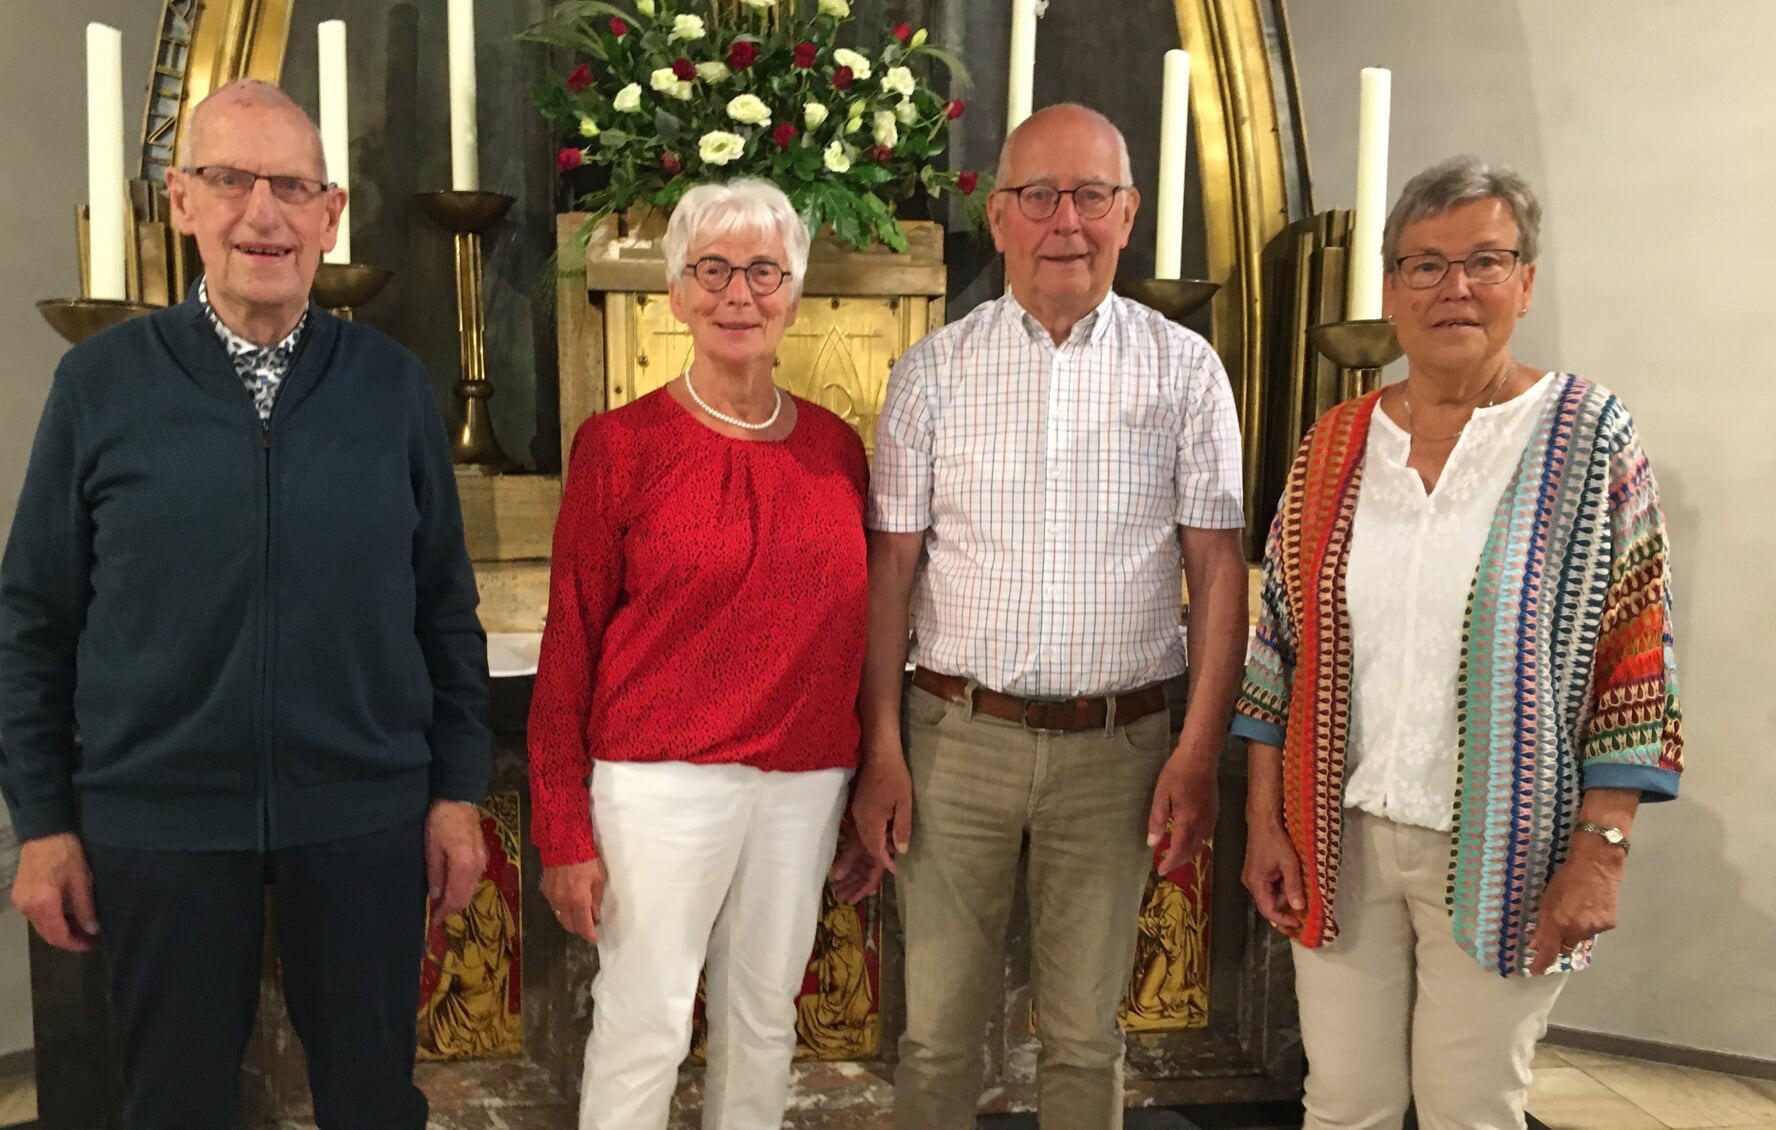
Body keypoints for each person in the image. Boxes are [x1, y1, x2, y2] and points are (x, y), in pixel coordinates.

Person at [0, 79, 492, 1130]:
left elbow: (444, 608)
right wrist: (42, 821)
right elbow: (38, 618)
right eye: (230, 179)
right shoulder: (102, 385)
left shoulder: (392, 387)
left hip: (362, 812)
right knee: (172, 1105)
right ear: (182, 200)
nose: (262, 212)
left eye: (291, 186)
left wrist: (456, 790)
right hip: (162, 819)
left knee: (371, 1099)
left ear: (330, 212)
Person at [1235, 156, 1683, 1130]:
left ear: (1525, 279)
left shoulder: (1589, 439)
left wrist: (1603, 848)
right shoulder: (1334, 443)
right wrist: (1266, 819)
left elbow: (1634, 667)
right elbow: (1276, 651)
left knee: (1468, 1107)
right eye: (1426, 265)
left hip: (1509, 848)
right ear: (1391, 289)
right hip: (1338, 837)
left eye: (1484, 259)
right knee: (1344, 1102)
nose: (1456, 288)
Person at [851, 103, 1250, 1129]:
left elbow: (1216, 570)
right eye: (1038, 195)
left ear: (1128, 214)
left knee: (1085, 1040)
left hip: (1117, 747)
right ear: (999, 216)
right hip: (955, 739)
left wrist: (1196, 752)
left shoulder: (1184, 370)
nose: (1063, 220)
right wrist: (881, 749)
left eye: (1090, 196)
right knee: (936, 1036)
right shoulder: (933, 370)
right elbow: (890, 569)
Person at [527, 178, 878, 1130]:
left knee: (766, 1026)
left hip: (804, 782)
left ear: (794, 295)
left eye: (764, 271)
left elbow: (859, 629)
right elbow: (570, 648)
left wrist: (864, 784)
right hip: (658, 787)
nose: (739, 294)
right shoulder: (619, 447)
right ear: (676, 294)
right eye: (713, 269)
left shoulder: (840, 451)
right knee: (646, 1028)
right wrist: (562, 829)